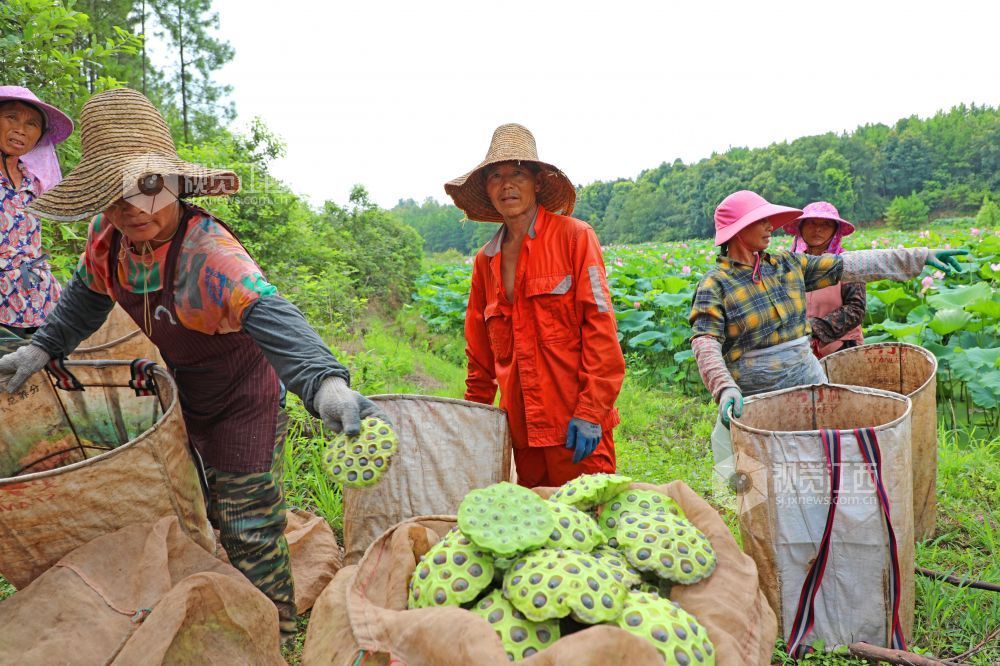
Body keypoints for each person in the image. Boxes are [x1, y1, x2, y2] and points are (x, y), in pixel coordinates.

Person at [0, 88, 384, 646]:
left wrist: (324, 386)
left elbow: (274, 317)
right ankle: (226, 603)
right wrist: (42, 348)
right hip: (184, 391)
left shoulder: (211, 255)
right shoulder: (109, 241)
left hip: (242, 398)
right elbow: (86, 296)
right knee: (199, 503)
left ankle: (276, 627)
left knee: (247, 517)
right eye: (114, 194)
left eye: (145, 189)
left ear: (175, 184)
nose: (131, 208)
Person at [688, 189, 964, 480]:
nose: (771, 226)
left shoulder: (787, 265)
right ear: (739, 229)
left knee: (823, 463)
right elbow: (705, 342)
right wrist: (724, 387)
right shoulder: (714, 285)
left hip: (808, 381)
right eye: (762, 221)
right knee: (771, 476)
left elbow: (851, 264)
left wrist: (918, 257)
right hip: (757, 396)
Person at [446, 124, 625, 488]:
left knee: (588, 527)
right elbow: (480, 357)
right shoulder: (486, 262)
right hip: (523, 434)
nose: (506, 184)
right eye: (496, 175)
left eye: (517, 173)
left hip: (576, 427)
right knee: (537, 533)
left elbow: (601, 326)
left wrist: (591, 411)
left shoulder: (575, 237)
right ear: (487, 189)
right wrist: (472, 420)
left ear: (537, 182)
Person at [0, 86, 73, 353]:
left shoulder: (34, 183)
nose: (21, 129)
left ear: (39, 137)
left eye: (31, 124)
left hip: (38, 298)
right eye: (11, 117)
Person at [787, 201, 865, 359]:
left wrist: (813, 328)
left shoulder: (848, 263)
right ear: (801, 227)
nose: (818, 229)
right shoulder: (787, 264)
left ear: (836, 230)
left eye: (826, 224)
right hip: (796, 350)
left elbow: (856, 309)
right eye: (811, 223)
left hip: (842, 348)